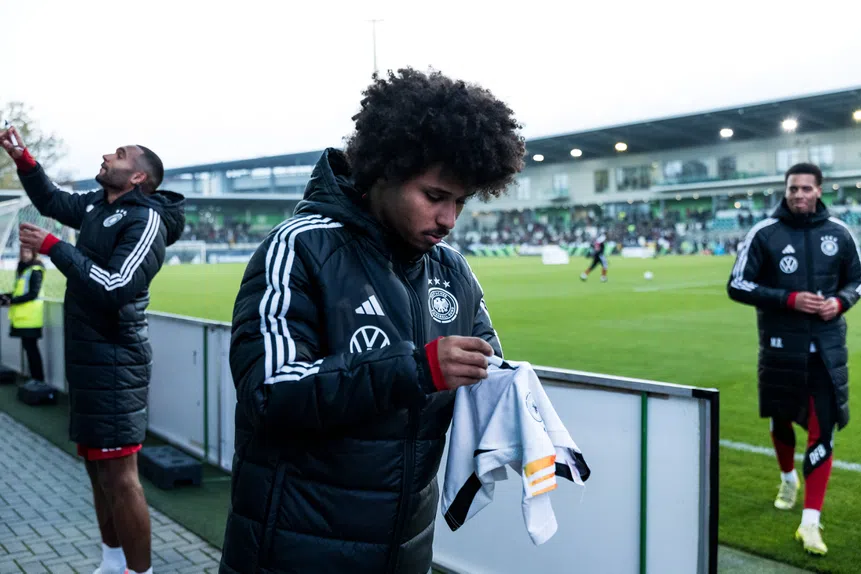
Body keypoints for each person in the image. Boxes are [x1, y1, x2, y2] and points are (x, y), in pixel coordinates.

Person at [221, 68, 525, 574]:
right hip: (295, 550)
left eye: (460, 202)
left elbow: (484, 368)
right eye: (434, 196)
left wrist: (513, 394)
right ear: (383, 170)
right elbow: (267, 391)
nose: (449, 219)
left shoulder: (452, 271)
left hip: (404, 549)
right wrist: (418, 368)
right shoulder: (299, 247)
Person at [0, 126, 186, 574]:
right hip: (89, 359)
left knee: (121, 479)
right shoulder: (96, 205)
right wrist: (24, 160)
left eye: (119, 154)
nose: (107, 155)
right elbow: (51, 201)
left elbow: (117, 287)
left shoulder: (145, 219)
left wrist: (55, 248)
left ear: (138, 177)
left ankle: (140, 572)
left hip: (117, 362)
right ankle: (111, 562)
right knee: (98, 471)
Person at [727, 162, 861, 556]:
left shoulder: (839, 233)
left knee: (823, 430)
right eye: (792, 189)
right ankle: (788, 477)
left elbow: (858, 279)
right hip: (780, 348)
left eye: (806, 188)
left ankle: (810, 522)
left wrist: (840, 302)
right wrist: (788, 299)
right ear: (785, 191)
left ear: (819, 190)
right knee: (780, 419)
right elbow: (737, 284)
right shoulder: (764, 233)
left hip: (826, 350)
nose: (799, 195)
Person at [0, 245, 46, 382]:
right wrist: (6, 297)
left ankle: (38, 380)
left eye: (26, 251)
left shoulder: (36, 270)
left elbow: (33, 293)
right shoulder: (24, 269)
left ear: (33, 253)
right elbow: (19, 292)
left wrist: (12, 300)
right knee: (29, 349)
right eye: (21, 252)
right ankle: (35, 379)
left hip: (31, 318)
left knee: (32, 351)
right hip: (22, 317)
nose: (23, 254)